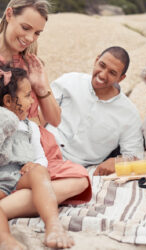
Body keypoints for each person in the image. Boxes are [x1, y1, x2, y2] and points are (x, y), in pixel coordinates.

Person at [0, 0, 91, 221]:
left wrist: (41, 87)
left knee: (80, 180)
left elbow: (54, 119)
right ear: (9, 14)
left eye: (38, 33)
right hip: (6, 151)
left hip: (37, 150)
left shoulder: (31, 64)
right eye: (26, 28)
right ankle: (23, 199)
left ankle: (12, 202)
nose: (30, 38)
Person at [0, 66, 74, 249]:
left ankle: (53, 225)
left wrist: (34, 164)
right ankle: (6, 239)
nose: (32, 101)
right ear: (8, 100)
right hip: (1, 181)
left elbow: (41, 157)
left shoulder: (29, 127)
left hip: (20, 177)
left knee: (41, 172)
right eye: (27, 96)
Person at [46, 46, 144, 176]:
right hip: (42, 147)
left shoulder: (129, 114)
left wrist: (116, 161)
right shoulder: (69, 81)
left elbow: (135, 155)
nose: (103, 74)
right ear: (96, 60)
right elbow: (40, 112)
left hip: (74, 168)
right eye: (102, 65)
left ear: (121, 78)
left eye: (112, 73)